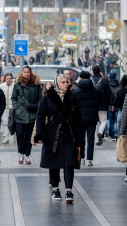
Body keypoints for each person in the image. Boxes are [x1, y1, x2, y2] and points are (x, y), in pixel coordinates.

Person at [35, 74, 83, 203]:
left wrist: (79, 137)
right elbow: (40, 116)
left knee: (70, 163)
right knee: (54, 163)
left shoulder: (72, 97)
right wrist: (40, 134)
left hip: (69, 133)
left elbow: (78, 118)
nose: (66, 84)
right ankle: (55, 189)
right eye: (63, 82)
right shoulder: (47, 98)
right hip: (52, 133)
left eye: (67, 82)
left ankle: (69, 191)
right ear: (57, 84)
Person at [11, 66, 42, 164]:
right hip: (20, 115)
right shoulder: (17, 85)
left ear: (31, 73)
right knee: (20, 135)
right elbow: (13, 98)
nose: (27, 74)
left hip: (31, 114)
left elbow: (40, 99)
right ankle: (21, 154)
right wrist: (16, 108)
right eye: (25, 72)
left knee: (29, 137)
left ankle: (27, 155)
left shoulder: (36, 85)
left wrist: (35, 106)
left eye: (28, 72)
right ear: (22, 73)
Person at [72, 71, 101, 166]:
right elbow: (101, 101)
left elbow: (72, 104)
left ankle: (82, 157)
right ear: (89, 77)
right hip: (92, 117)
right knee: (90, 138)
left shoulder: (76, 90)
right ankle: (89, 159)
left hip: (79, 118)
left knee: (80, 138)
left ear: (80, 77)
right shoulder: (96, 90)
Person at [91, 65, 111, 146]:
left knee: (95, 122)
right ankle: (100, 132)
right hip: (103, 104)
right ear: (100, 71)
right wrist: (111, 103)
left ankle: (97, 140)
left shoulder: (90, 80)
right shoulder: (104, 80)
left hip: (93, 105)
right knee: (104, 120)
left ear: (93, 71)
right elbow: (109, 93)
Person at [0, 73, 15, 144]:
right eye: (7, 78)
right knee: (5, 122)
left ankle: (15, 136)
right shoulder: (1, 86)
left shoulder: (15, 85)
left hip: (13, 108)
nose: (9, 80)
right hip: (4, 108)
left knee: (14, 122)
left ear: (12, 79)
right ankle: (6, 137)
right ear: (5, 79)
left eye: (10, 78)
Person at [107, 72, 120, 141]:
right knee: (117, 120)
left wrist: (110, 104)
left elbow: (108, 96)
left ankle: (111, 135)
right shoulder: (119, 85)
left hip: (110, 105)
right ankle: (116, 133)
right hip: (117, 105)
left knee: (110, 120)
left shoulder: (108, 85)